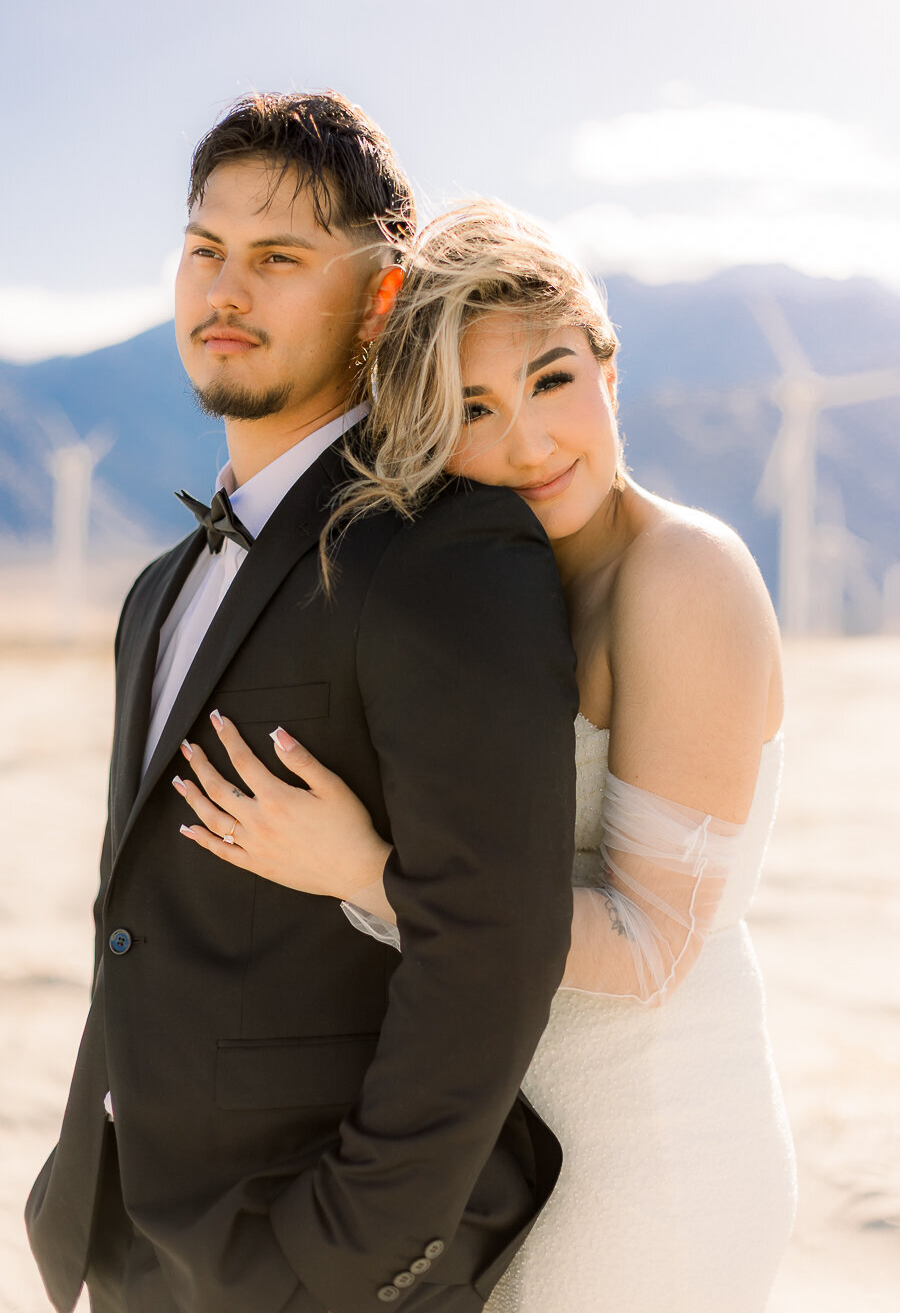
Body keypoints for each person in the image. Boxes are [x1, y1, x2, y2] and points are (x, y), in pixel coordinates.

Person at [177, 201, 798, 1312]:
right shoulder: (509, 590)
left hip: (648, 1159)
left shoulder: (681, 578)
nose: (528, 443)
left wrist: (365, 872)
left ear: (611, 371)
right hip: (508, 1161)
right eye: (472, 408)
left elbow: (655, 947)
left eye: (552, 380)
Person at [25, 102, 581, 1313]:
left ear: (382, 300)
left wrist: (346, 1258)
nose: (228, 288)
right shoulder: (157, 590)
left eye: (279, 259)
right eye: (205, 248)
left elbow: (493, 945)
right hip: (134, 1237)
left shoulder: (442, 550)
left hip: (310, 1259)